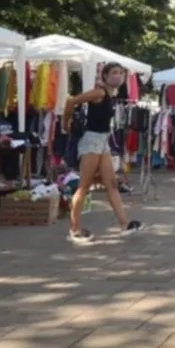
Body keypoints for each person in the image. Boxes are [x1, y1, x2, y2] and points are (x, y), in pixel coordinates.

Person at [61, 62, 143, 242]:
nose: (118, 76)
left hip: (102, 142)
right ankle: (74, 230)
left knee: (111, 183)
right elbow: (71, 101)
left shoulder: (112, 95)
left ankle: (124, 224)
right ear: (105, 76)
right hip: (91, 142)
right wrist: (65, 125)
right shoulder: (99, 93)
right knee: (84, 186)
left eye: (120, 73)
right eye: (114, 72)